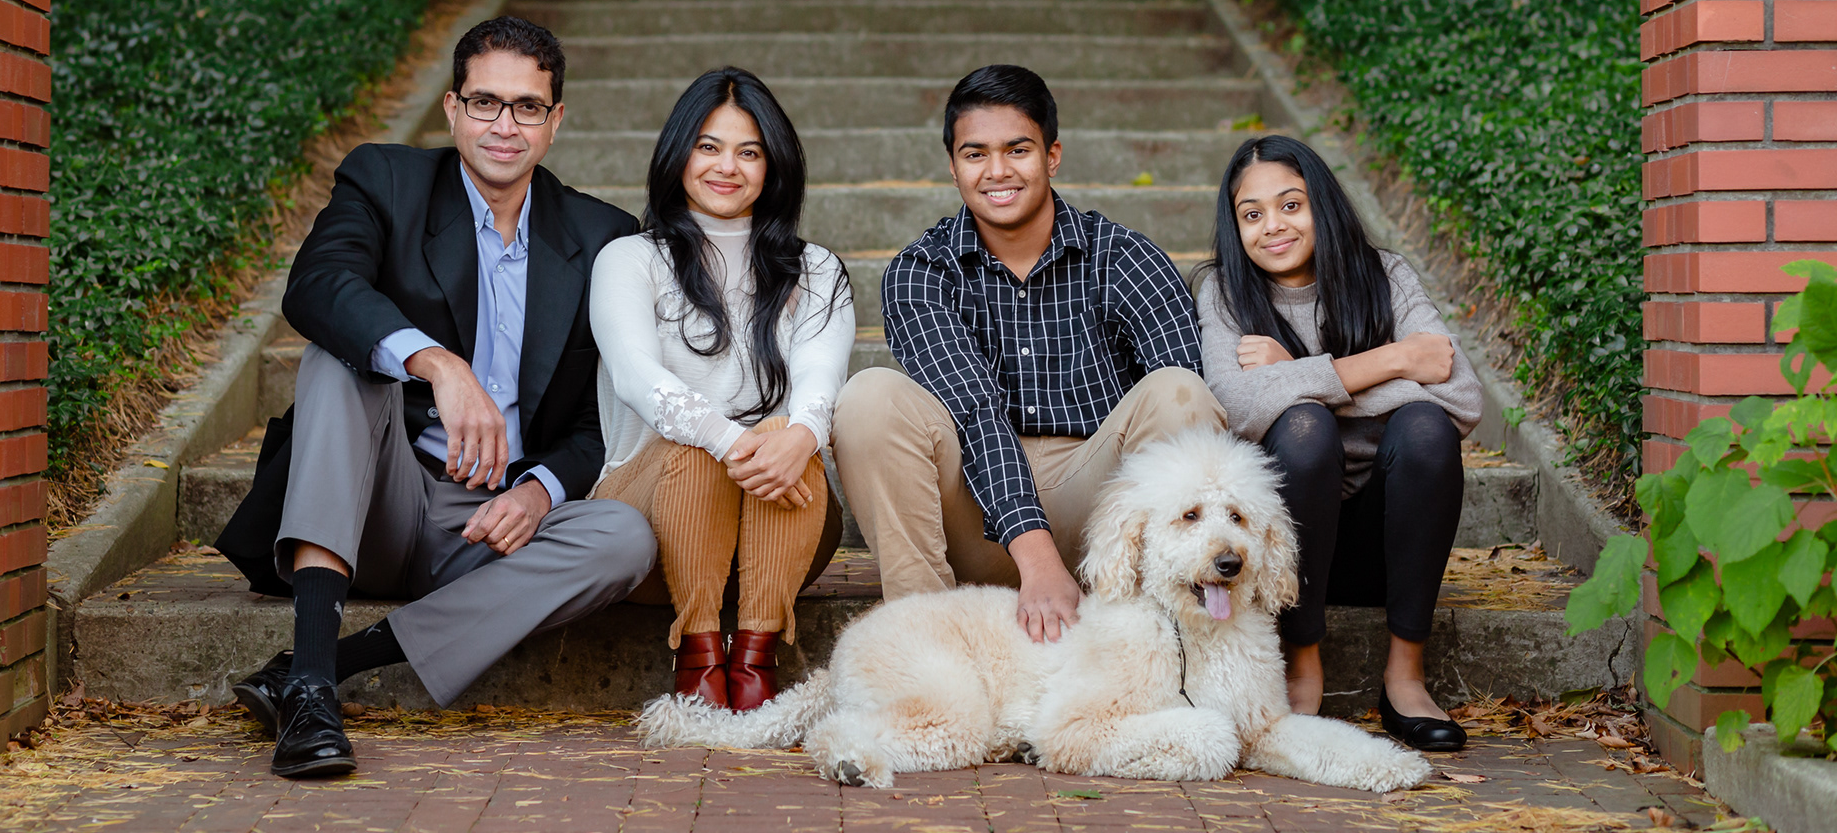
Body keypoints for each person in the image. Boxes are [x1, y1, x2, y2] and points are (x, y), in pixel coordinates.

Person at [215, 16, 656, 779]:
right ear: (452, 108)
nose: (505, 126)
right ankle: (314, 695)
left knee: (626, 538)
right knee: (339, 363)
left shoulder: (603, 238)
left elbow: (599, 422)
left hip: (489, 529)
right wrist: (438, 365)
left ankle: (323, 667)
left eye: (527, 107)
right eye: (486, 103)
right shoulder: (386, 181)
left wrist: (538, 493)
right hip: (376, 498)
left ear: (555, 121)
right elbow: (318, 285)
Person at [833, 64, 1227, 643]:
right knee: (869, 396)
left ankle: (1164, 640)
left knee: (1180, 392)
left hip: (1104, 516)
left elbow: (1192, 410)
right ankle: (925, 643)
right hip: (976, 517)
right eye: (975, 154)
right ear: (953, 166)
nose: (997, 171)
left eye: (1017, 149)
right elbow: (974, 414)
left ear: (1052, 155)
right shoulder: (922, 271)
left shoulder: (1124, 257)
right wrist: (1038, 560)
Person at [1193, 135, 1482, 752]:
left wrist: (1292, 373)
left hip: (1386, 547)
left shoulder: (1386, 276)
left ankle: (1406, 675)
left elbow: (1460, 395)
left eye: (1290, 205)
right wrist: (1395, 361)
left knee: (1426, 428)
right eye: (1252, 214)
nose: (1274, 226)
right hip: (1286, 551)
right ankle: (1302, 661)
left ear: (1320, 205)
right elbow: (1236, 407)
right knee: (1305, 429)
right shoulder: (1223, 292)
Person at [588, 67, 854, 711]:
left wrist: (803, 434)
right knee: (709, 440)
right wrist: (734, 440)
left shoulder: (815, 269)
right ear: (678, 153)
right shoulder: (630, 259)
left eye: (749, 151)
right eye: (708, 146)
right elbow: (635, 374)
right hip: (646, 530)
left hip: (780, 539)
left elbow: (821, 376)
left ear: (774, 165)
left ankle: (756, 655)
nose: (726, 166)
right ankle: (699, 652)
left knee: (787, 434)